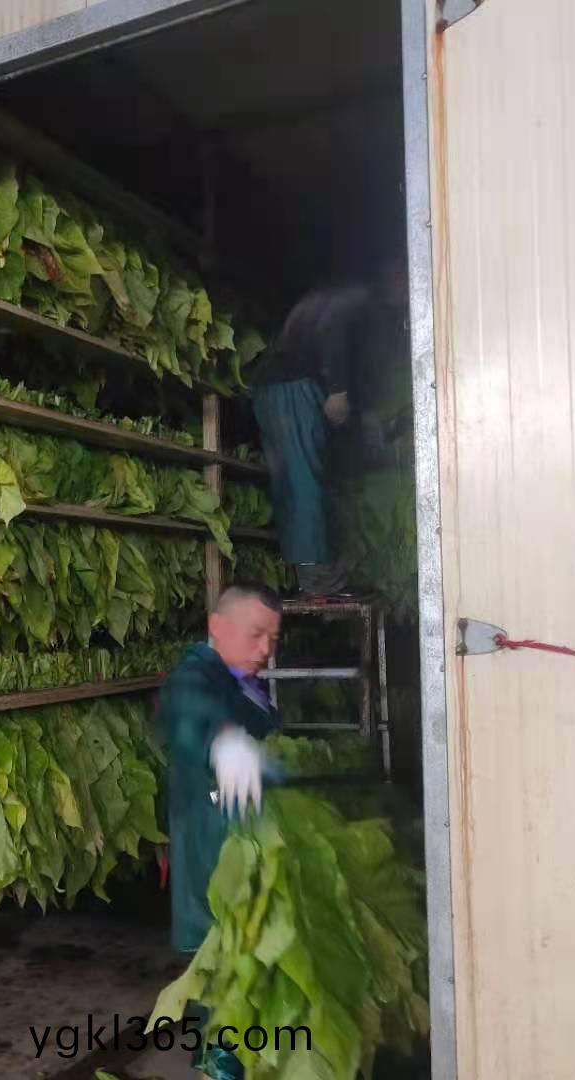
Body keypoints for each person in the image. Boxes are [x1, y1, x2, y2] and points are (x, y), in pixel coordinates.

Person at [157, 585, 285, 1079]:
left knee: (243, 998)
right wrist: (223, 742)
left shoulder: (242, 684)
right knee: (221, 1004)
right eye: (256, 634)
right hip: (214, 873)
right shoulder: (196, 675)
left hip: (241, 867)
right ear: (217, 626)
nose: (265, 648)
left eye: (273, 638)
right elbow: (189, 713)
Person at [250, 261, 407, 598]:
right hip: (290, 386)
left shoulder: (353, 299)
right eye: (406, 285)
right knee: (303, 478)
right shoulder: (357, 297)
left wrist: (365, 418)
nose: (408, 296)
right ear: (395, 279)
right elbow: (332, 331)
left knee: (294, 480)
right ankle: (312, 573)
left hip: (275, 388)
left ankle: (307, 567)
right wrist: (338, 390)